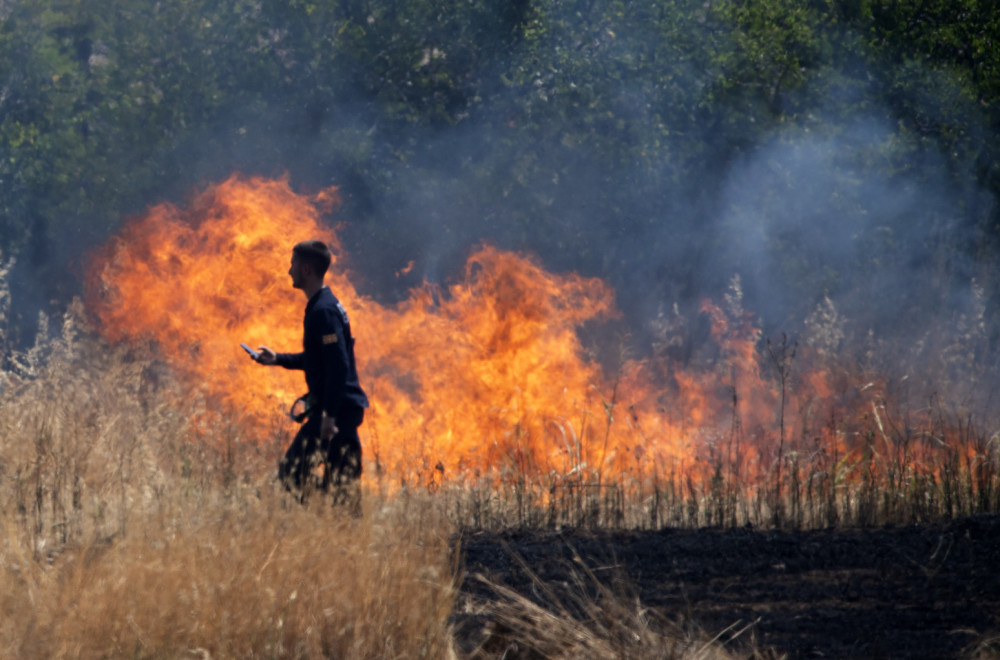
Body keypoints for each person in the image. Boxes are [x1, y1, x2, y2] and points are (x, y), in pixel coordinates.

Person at [252, 240, 369, 508]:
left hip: (336, 415)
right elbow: (321, 360)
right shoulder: (323, 305)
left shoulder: (323, 310)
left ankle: (326, 516)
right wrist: (278, 359)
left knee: (292, 475)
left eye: (292, 264)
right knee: (341, 492)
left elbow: (338, 364)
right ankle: (332, 521)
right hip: (339, 410)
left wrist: (328, 415)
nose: (288, 271)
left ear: (306, 269)